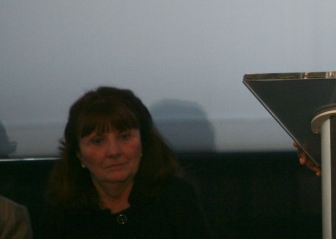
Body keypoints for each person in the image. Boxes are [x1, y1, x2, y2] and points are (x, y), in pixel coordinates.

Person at [37, 86, 212, 239]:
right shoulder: (61, 211)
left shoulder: (176, 197)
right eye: (98, 141)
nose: (114, 152)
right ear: (78, 154)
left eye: (125, 137)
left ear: (143, 142)